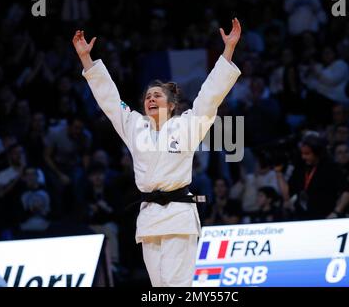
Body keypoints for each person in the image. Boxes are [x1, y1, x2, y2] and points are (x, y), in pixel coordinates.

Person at [72, 18, 242, 287]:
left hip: (178, 215)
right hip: (150, 217)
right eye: (148, 96)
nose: (150, 99)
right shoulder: (134, 126)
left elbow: (209, 96)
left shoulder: (187, 125)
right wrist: (87, 61)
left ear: (172, 105)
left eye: (157, 96)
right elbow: (109, 100)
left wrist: (228, 50)